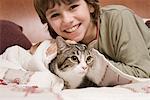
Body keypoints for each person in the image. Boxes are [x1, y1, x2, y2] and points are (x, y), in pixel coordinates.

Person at [34, 0, 150, 78]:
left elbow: (142, 72)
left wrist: (91, 65)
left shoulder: (119, 18)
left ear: (90, 6)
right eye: (55, 15)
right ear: (48, 22)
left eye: (73, 7)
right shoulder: (65, 44)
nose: (67, 20)